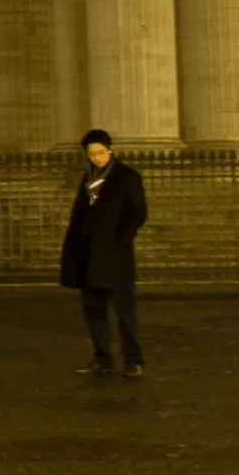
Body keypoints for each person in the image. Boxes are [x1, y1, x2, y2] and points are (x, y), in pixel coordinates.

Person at [58, 129, 148, 377]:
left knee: (124, 311)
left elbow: (138, 211)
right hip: (89, 254)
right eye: (92, 154)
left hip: (115, 254)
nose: (97, 158)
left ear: (110, 151)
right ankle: (102, 358)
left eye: (101, 152)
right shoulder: (88, 177)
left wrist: (122, 238)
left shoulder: (127, 176)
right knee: (94, 310)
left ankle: (134, 360)